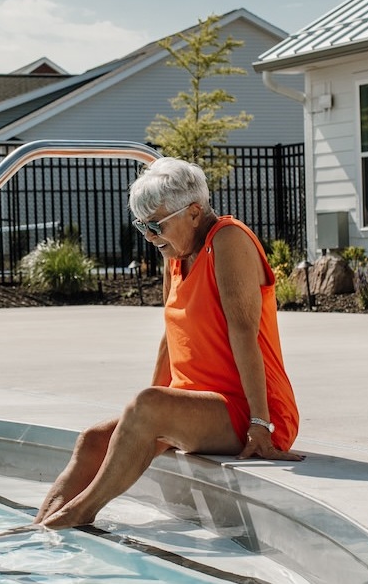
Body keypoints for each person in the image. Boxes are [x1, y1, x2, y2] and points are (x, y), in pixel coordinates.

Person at [35, 157, 303, 529]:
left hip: (249, 409)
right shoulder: (175, 255)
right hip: (199, 404)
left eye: (156, 225)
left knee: (148, 406)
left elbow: (244, 334)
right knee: (92, 440)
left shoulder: (228, 239)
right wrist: (146, 414)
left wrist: (261, 425)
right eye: (142, 225)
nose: (148, 236)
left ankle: (77, 514)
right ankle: (39, 525)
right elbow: (171, 335)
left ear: (194, 213)